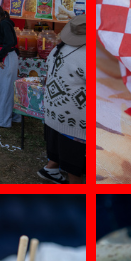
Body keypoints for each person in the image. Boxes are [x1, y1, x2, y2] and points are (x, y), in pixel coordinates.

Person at [37, 15, 86, 184]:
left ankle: (51, 169)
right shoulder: (86, 54)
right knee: (75, 165)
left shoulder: (59, 48)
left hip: (53, 114)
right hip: (74, 121)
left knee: (60, 148)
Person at [0, 4, 21, 128]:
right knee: (9, 88)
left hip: (7, 57)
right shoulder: (4, 24)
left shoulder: (4, 24)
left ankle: (3, 121)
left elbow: (9, 42)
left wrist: (1, 57)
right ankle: (14, 116)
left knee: (6, 89)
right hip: (8, 57)